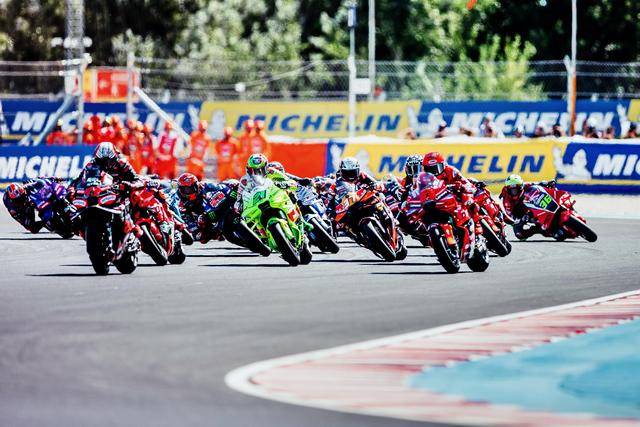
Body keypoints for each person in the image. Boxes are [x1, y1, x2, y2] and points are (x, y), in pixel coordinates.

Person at [422, 151, 481, 233]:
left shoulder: (451, 171)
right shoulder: (424, 179)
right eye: (430, 170)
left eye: (436, 168)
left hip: (456, 195)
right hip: (440, 201)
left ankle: (477, 223)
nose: (434, 172)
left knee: (468, 199)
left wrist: (461, 187)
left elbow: (466, 183)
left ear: (444, 165)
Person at [500, 174, 559, 240]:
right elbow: (510, 217)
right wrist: (522, 219)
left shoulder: (525, 186)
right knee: (519, 234)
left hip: (530, 208)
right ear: (508, 189)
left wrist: (546, 183)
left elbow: (536, 184)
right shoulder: (507, 200)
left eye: (516, 189)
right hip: (518, 215)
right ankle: (537, 229)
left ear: (521, 187)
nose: (514, 192)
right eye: (511, 190)